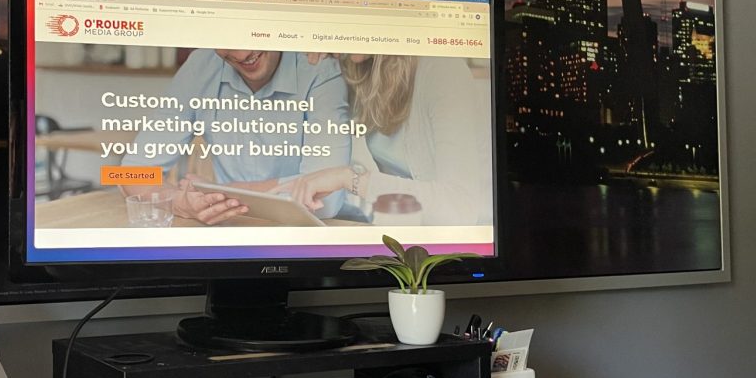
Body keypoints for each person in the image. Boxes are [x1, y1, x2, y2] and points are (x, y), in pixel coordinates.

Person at [120, 48, 351, 224]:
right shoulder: (200, 65)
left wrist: (217, 192)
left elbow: (325, 201)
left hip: (310, 238)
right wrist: (179, 202)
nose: (241, 52)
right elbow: (127, 172)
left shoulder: (319, 65)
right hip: (232, 230)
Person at [288, 53, 490, 225]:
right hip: (416, 236)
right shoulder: (360, 69)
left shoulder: (443, 71)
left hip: (469, 245)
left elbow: (459, 206)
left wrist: (350, 179)